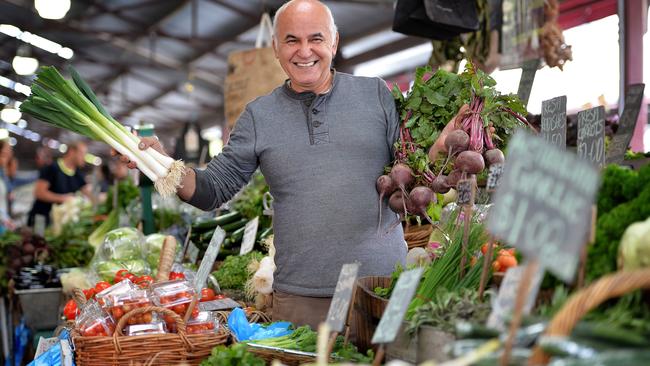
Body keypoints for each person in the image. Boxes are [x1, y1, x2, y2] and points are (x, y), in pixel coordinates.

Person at [119, 0, 455, 328]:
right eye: (292, 40)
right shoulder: (258, 116)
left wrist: (444, 146)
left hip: (384, 288)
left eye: (316, 39)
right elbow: (211, 190)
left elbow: (414, 172)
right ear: (276, 48)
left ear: (334, 42)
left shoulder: (377, 94)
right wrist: (161, 163)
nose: (304, 51)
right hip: (301, 301)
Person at [28, 141, 90, 226]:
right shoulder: (52, 168)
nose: (84, 158)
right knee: (37, 239)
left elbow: (89, 193)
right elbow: (39, 192)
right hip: (42, 220)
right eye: (82, 153)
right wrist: (63, 198)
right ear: (72, 151)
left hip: (59, 223)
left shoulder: (78, 175)